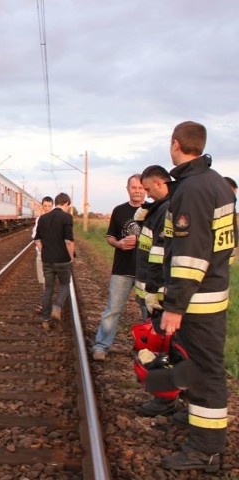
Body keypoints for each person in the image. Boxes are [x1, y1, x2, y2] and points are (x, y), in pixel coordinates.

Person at [144, 121, 236, 472]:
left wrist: (175, 305)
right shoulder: (218, 185)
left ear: (175, 144)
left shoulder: (193, 189)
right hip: (211, 293)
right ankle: (195, 421)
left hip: (196, 300)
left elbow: (190, 254)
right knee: (196, 367)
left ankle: (206, 449)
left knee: (206, 372)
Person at [132, 165, 176, 416]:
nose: (146, 194)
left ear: (160, 182)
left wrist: (153, 291)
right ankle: (165, 397)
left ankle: (164, 401)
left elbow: (159, 255)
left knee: (159, 348)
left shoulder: (166, 210)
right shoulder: (158, 208)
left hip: (156, 292)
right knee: (157, 347)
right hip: (151, 288)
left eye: (148, 189)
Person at [92, 174, 146, 361]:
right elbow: (110, 237)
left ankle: (146, 350)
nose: (138, 191)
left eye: (141, 187)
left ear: (145, 189)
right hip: (122, 269)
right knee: (113, 309)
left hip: (146, 272)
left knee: (148, 313)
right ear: (128, 189)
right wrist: (120, 244)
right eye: (134, 187)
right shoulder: (119, 210)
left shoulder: (154, 211)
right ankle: (101, 346)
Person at [33, 192, 74, 331]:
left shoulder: (43, 218)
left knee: (48, 289)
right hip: (62, 260)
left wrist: (44, 250)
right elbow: (68, 241)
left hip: (47, 260)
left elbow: (37, 239)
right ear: (66, 203)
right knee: (65, 284)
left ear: (56, 202)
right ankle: (57, 307)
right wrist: (71, 258)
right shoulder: (67, 217)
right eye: (69, 206)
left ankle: (45, 320)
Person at [32, 196, 54, 287]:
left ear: (52, 206)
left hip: (54, 253)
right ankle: (46, 299)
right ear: (42, 206)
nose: (47, 208)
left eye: (49, 206)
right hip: (42, 252)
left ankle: (48, 298)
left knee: (51, 280)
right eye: (45, 206)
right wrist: (42, 250)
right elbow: (35, 236)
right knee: (44, 280)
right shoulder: (39, 219)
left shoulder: (56, 219)